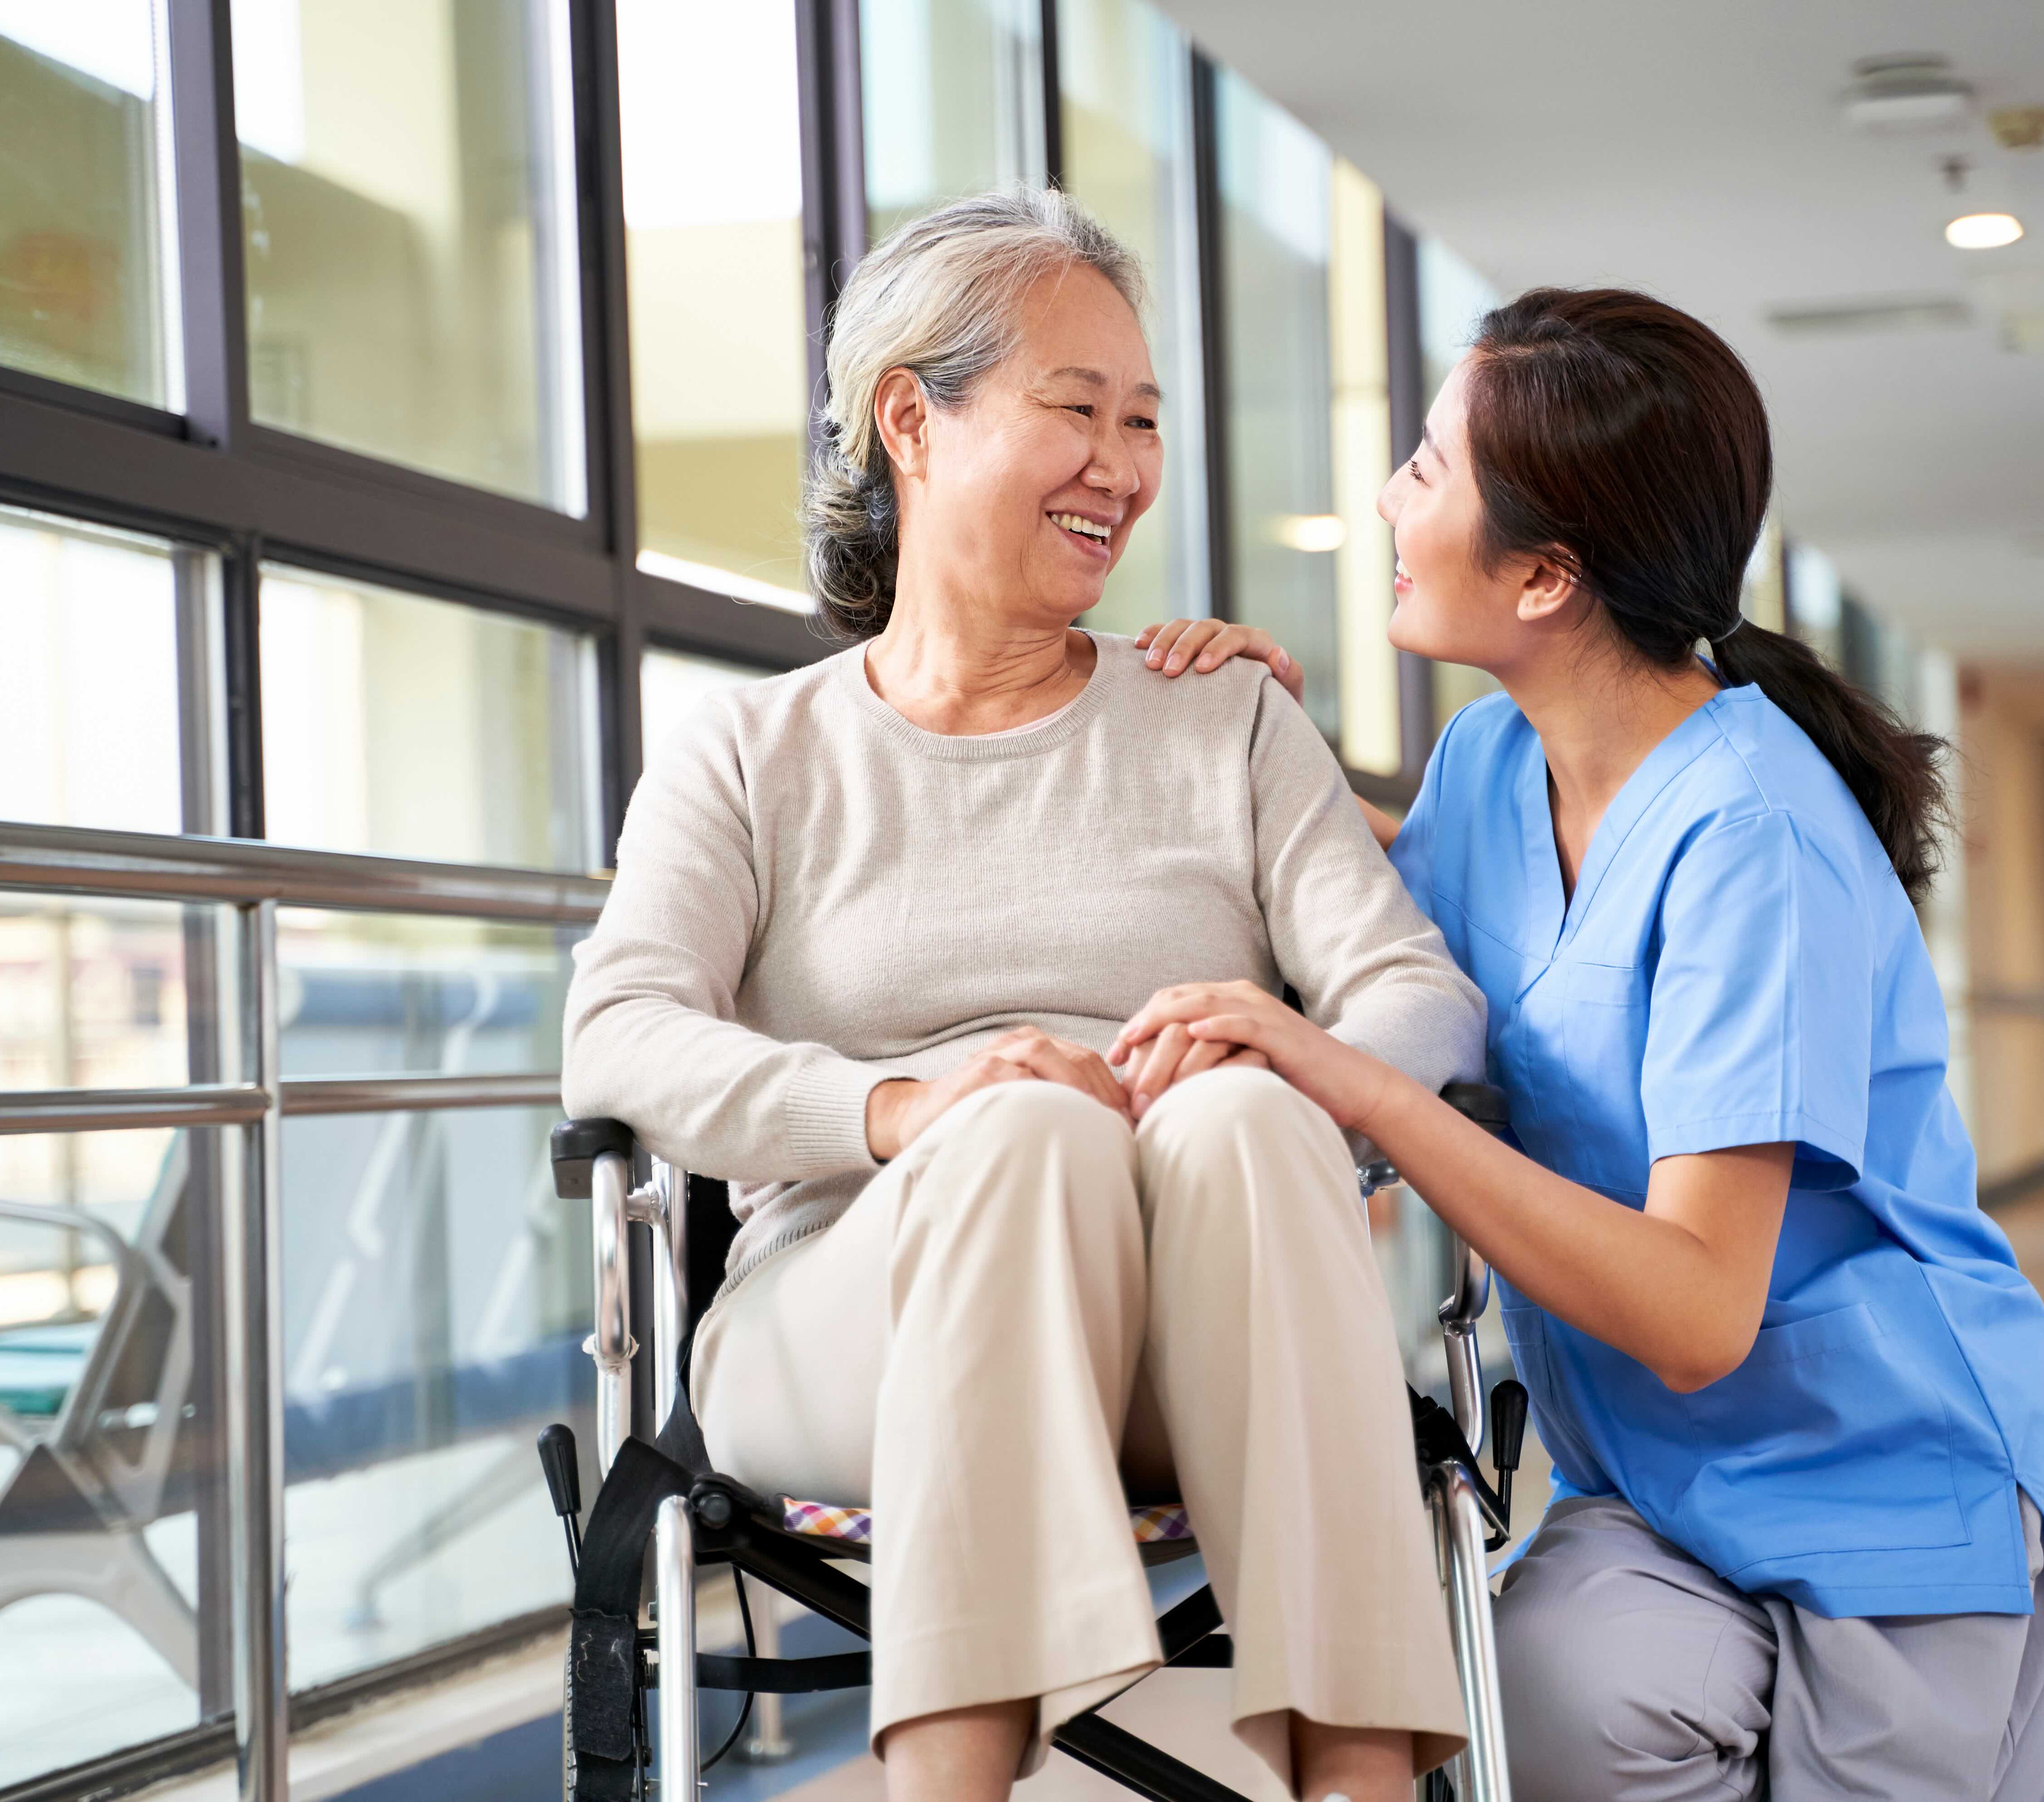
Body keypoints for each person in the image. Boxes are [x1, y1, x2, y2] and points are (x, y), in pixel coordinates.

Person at [1118, 288, 2044, 1802]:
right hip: (1656, 1489)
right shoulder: (1494, 756)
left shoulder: (1751, 834)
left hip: (1887, 1490)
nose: (1385, 498)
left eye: (1424, 469)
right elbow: (1410, 923)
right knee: (1545, 1723)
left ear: (1548, 575)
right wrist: (1253, 750)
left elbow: (1697, 1308)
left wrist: (1350, 1081)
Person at [559, 190, 1482, 1802]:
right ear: (911, 419)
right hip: (853, 1323)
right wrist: (908, 1106)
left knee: (1251, 1107)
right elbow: (621, 1029)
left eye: (1141, 422)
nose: (1121, 467)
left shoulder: (1224, 722)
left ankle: (1359, 1786)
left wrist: (1286, 1061)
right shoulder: (749, 750)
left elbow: (1418, 998)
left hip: (1198, 1340)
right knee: (1018, 1136)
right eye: (1076, 410)